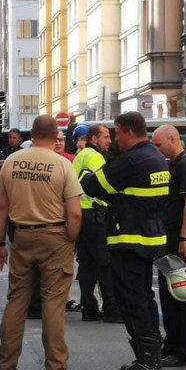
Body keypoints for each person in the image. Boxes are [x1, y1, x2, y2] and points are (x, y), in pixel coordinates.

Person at [0, 115, 83, 370]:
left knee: (17, 300)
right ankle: (57, 369)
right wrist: (70, 238)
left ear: (31, 133)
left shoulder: (11, 162)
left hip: (21, 236)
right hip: (55, 235)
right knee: (53, 302)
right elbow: (75, 213)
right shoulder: (62, 165)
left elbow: (2, 209)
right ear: (56, 135)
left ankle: (6, 367)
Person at [80, 111, 170, 370]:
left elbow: (91, 184)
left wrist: (96, 176)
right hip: (149, 239)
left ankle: (145, 363)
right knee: (145, 298)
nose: (115, 140)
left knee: (131, 300)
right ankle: (153, 359)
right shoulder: (156, 158)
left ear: (129, 132)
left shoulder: (132, 160)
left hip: (129, 240)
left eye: (117, 133)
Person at [152, 125, 186, 367]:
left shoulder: (185, 166)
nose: (157, 149)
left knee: (179, 297)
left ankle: (181, 350)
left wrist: (183, 239)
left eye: (159, 145)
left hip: (179, 238)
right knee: (170, 295)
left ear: (173, 139)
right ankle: (171, 345)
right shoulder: (174, 164)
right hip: (172, 235)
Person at [73, 124, 121, 323]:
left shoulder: (81, 155)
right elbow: (100, 184)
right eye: (106, 136)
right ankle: (111, 308)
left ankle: (89, 307)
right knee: (104, 262)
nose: (109, 141)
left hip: (82, 214)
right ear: (94, 139)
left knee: (87, 264)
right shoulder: (95, 156)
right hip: (95, 214)